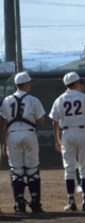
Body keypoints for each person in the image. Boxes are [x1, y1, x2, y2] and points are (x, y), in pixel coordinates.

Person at [50, 72, 85, 211]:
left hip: (67, 133)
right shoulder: (84, 97)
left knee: (69, 168)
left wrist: (57, 140)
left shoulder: (59, 99)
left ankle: (71, 201)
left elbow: (54, 122)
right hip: (82, 131)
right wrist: (84, 120)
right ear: (76, 83)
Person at [1, 72, 46, 213]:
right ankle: (35, 202)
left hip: (12, 135)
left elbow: (4, 123)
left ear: (16, 85)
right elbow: (41, 120)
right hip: (29, 133)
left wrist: (5, 143)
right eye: (29, 83)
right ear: (26, 84)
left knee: (16, 171)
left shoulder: (7, 100)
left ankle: (19, 202)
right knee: (32, 170)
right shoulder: (33, 99)